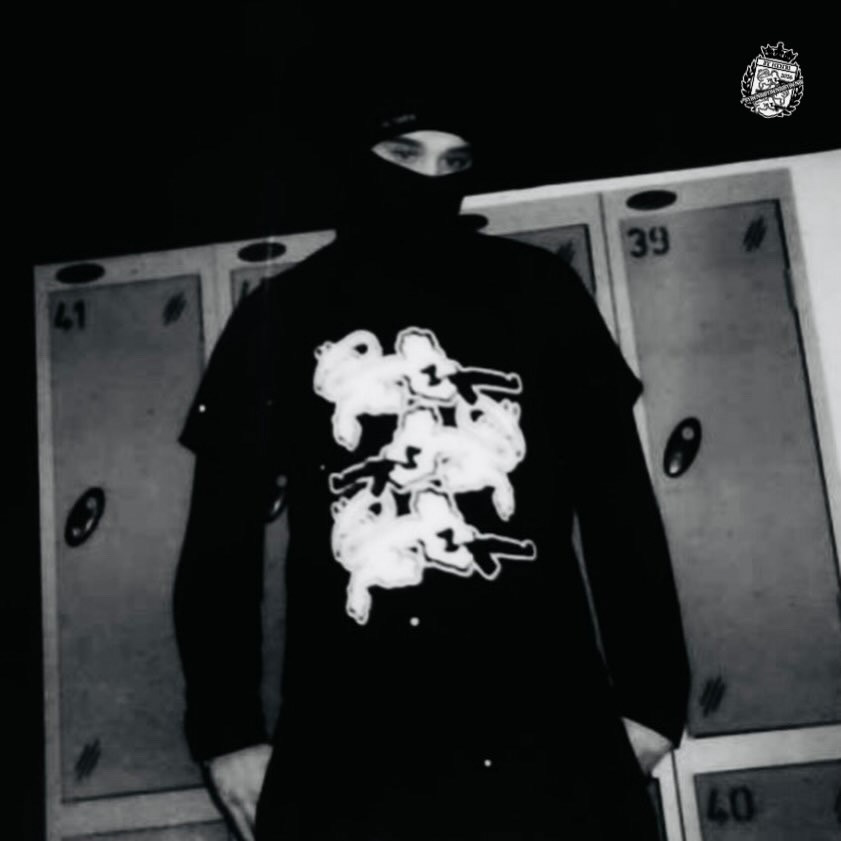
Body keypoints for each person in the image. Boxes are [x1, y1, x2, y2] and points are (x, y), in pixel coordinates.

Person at [173, 90, 690, 841]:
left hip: (545, 719)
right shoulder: (282, 314)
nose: (430, 179)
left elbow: (620, 508)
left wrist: (651, 702)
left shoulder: (538, 291)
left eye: (455, 162)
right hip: (355, 736)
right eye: (403, 155)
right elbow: (220, 542)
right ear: (356, 162)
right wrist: (228, 733)